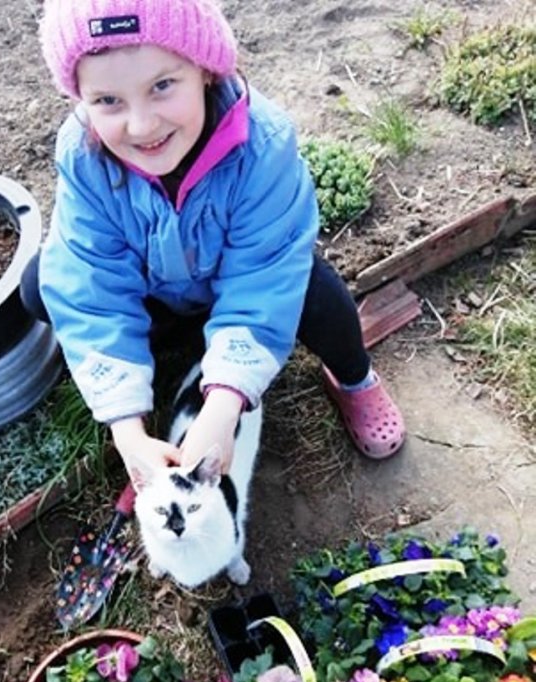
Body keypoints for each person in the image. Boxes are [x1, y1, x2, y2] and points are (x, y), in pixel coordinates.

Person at [31, 0, 405, 477]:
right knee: (39, 282)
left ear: (206, 70)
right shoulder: (82, 158)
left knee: (313, 288)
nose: (142, 126)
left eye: (162, 86)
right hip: (160, 293)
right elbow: (91, 285)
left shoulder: (262, 145)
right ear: (79, 97)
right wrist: (126, 429)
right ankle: (160, 367)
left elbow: (263, 277)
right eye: (107, 101)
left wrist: (224, 405)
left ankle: (353, 377)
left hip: (241, 284)